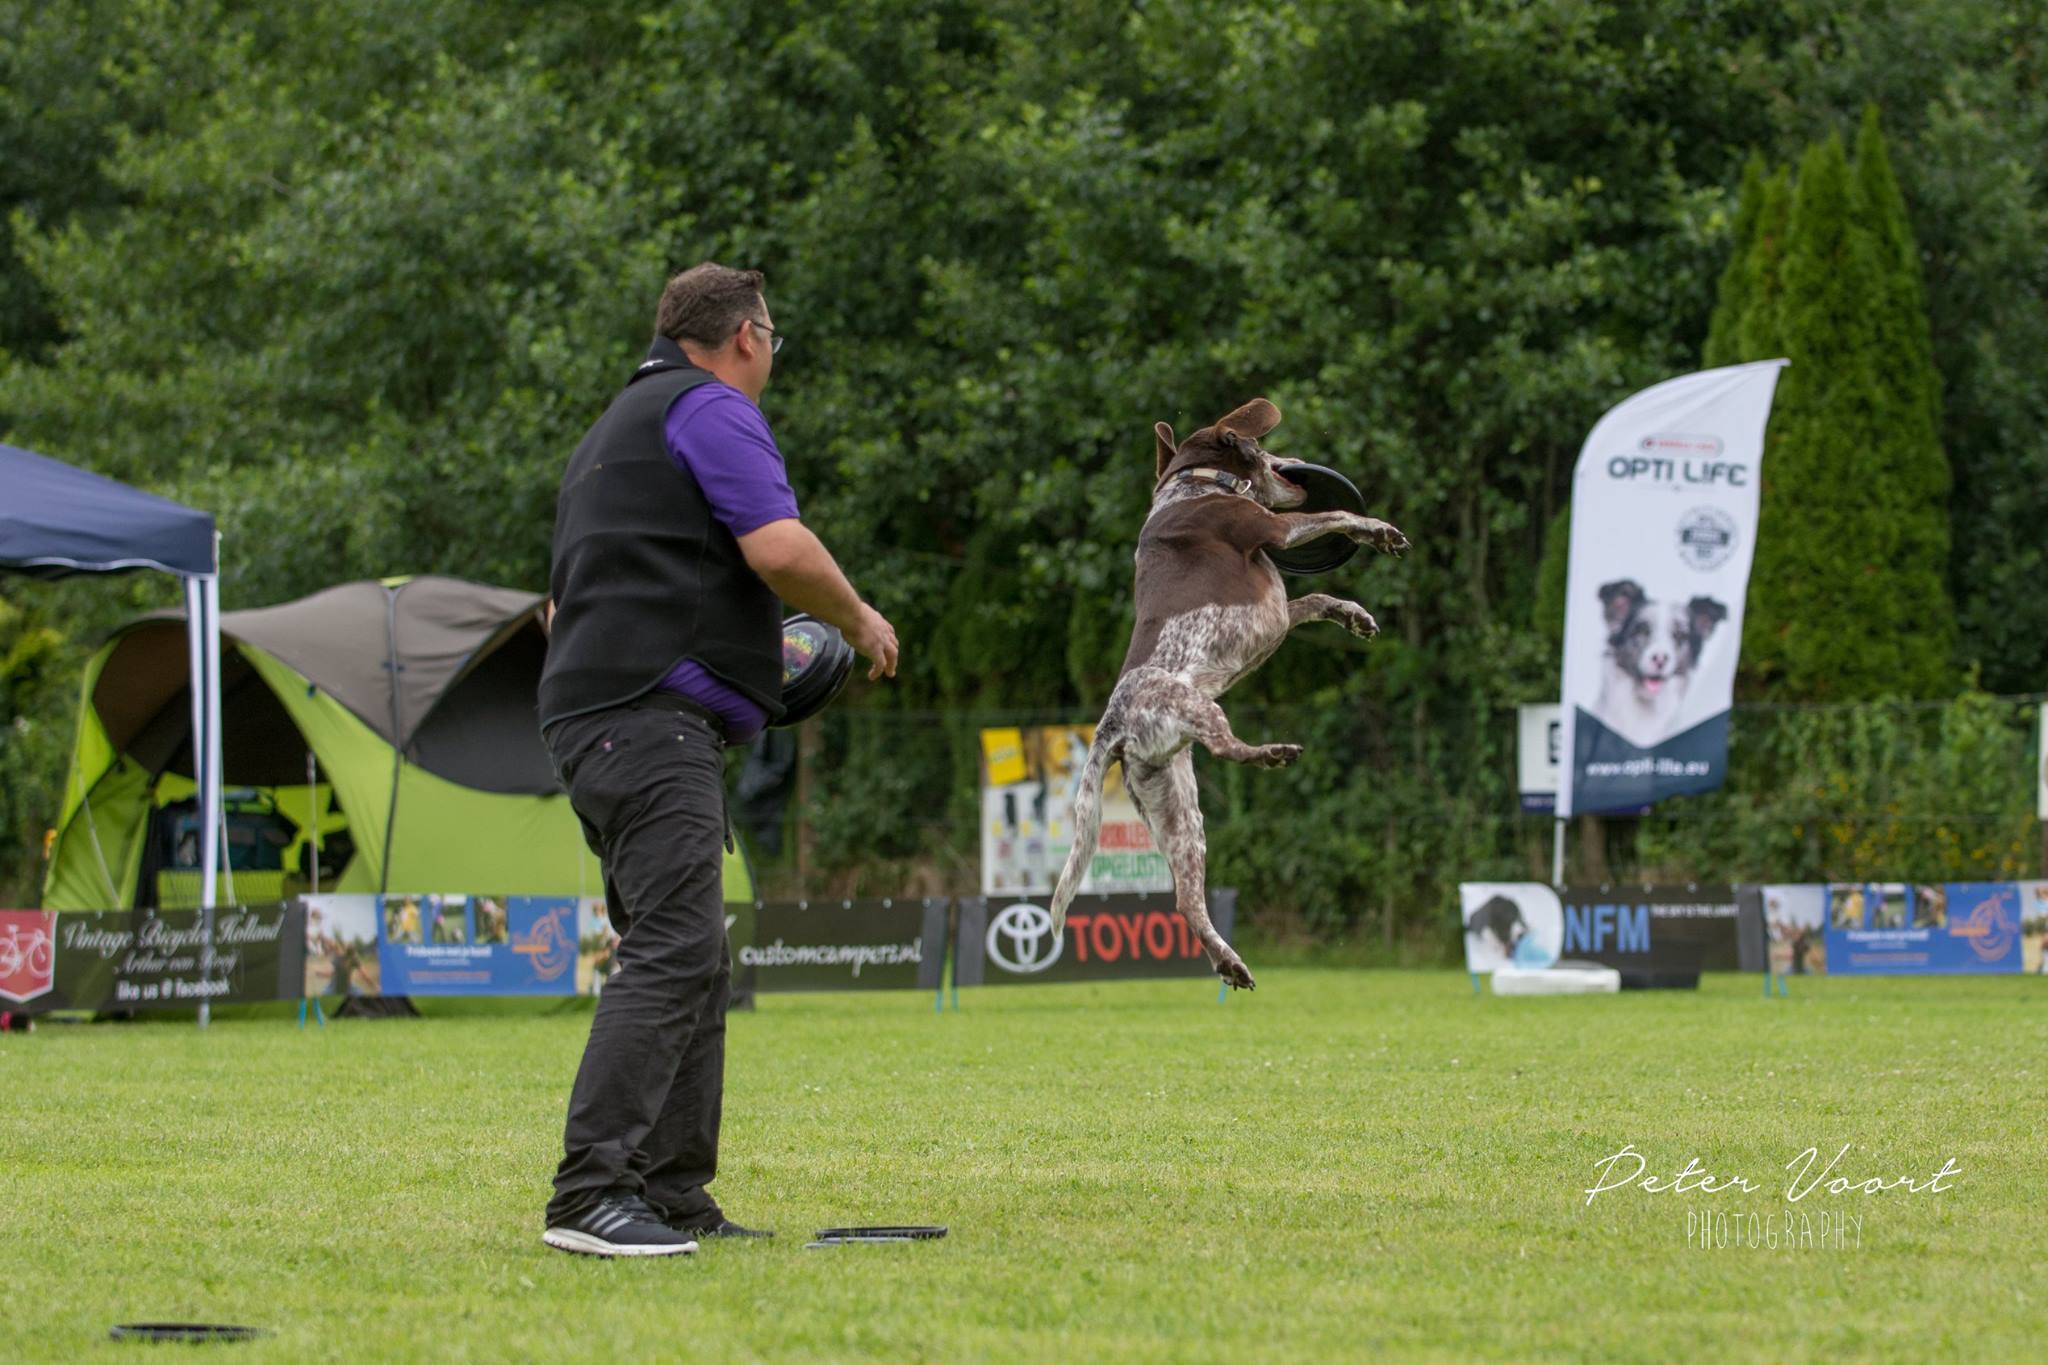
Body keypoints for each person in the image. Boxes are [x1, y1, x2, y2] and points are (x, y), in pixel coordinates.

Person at [535, 263, 899, 1257]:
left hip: (598, 716)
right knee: (676, 949)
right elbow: (777, 549)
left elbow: (564, 605)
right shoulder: (707, 409)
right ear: (745, 336)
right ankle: (589, 1194)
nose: (770, 356)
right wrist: (856, 619)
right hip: (649, 724)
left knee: (691, 950)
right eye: (771, 337)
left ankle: (668, 1194)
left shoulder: (605, 437)